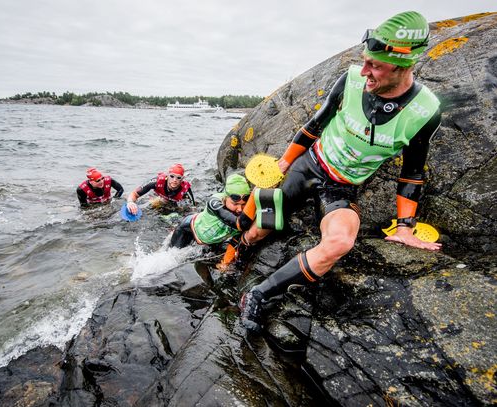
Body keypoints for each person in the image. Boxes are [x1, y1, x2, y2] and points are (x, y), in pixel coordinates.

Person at [239, 11, 442, 333]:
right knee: (259, 230)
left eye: (374, 65)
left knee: (340, 243)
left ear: (404, 65)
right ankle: (235, 256)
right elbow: (313, 127)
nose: (365, 72)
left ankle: (258, 294)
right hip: (308, 166)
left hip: (342, 188)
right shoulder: (351, 80)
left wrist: (405, 227)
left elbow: (413, 171)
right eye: (365, 62)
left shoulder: (425, 110)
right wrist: (283, 164)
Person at [169, 174, 254, 267]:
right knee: (173, 259)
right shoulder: (214, 202)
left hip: (212, 238)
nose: (240, 209)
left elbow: (236, 239)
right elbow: (241, 225)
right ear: (225, 198)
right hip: (189, 229)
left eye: (244, 204)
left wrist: (225, 263)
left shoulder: (246, 212)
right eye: (235, 204)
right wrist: (255, 194)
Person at [126, 163, 195, 215]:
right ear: (167, 176)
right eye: (172, 176)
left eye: (178, 177)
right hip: (160, 196)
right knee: (152, 206)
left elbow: (192, 208)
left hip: (175, 201)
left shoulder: (185, 189)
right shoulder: (156, 182)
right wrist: (130, 202)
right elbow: (134, 194)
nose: (174, 180)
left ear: (182, 179)